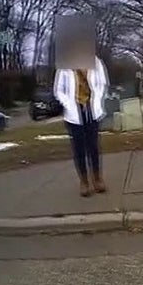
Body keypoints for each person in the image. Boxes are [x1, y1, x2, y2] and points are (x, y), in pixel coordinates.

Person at [54, 54, 110, 197]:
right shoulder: (65, 65)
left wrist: (97, 98)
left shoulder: (96, 62)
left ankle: (97, 179)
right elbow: (58, 90)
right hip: (74, 113)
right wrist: (68, 103)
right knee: (79, 149)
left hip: (92, 109)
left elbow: (102, 83)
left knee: (93, 146)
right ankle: (84, 182)